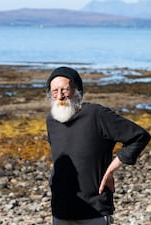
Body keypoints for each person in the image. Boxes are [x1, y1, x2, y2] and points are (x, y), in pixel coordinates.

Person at [45, 66, 150, 225]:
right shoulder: (51, 120)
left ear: (77, 90)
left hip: (94, 209)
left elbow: (138, 136)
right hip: (60, 210)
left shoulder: (97, 115)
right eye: (54, 91)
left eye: (65, 90)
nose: (60, 96)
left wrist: (110, 170)